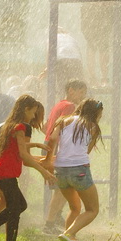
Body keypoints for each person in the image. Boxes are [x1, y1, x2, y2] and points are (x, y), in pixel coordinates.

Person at [0, 96, 55, 241]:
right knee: (17, 206)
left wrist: (34, 144)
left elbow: (16, 145)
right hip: (5, 171)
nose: (34, 116)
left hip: (1, 169)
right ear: (26, 109)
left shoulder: (10, 125)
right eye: (33, 112)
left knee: (18, 205)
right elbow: (23, 154)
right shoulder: (21, 127)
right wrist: (43, 171)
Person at [48, 99, 104, 241]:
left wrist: (49, 161)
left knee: (74, 208)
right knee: (92, 210)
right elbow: (86, 151)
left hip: (60, 169)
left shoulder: (64, 120)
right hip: (79, 169)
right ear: (96, 113)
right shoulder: (93, 126)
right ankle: (69, 233)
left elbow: (52, 139)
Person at [42, 79, 88, 233]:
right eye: (80, 92)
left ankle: (56, 218)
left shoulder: (59, 104)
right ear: (70, 90)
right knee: (61, 189)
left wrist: (49, 141)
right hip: (56, 149)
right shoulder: (69, 106)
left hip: (50, 146)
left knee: (63, 187)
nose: (82, 96)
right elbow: (64, 130)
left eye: (84, 93)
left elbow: (46, 125)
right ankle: (49, 225)